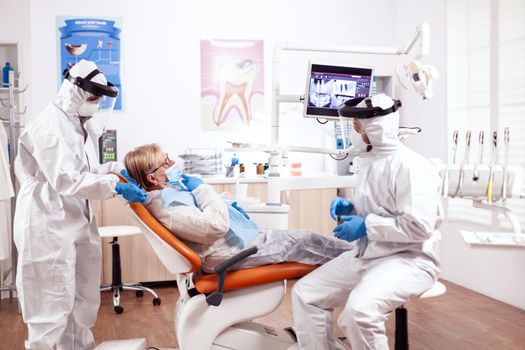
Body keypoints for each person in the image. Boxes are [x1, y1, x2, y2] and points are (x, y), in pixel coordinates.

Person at [292, 93, 443, 350]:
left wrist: (365, 226)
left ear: (374, 128)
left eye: (356, 126)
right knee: (306, 294)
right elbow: (382, 207)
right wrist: (354, 208)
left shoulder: (411, 166)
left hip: (409, 260)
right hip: (368, 254)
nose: (353, 132)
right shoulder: (371, 161)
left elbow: (419, 226)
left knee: (358, 314)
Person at [14, 59, 146, 350]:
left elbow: (84, 170)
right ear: (75, 90)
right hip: (46, 219)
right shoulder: (52, 125)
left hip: (74, 217)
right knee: (51, 302)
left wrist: (115, 171)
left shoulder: (79, 125)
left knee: (80, 298)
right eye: (93, 97)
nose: (97, 103)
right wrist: (115, 186)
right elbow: (65, 180)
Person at [123, 144, 353, 272]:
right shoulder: (170, 210)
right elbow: (215, 226)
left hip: (232, 247)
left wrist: (225, 203)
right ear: (153, 178)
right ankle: (359, 260)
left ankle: (355, 258)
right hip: (228, 255)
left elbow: (200, 214)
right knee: (303, 240)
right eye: (165, 163)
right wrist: (202, 188)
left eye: (169, 158)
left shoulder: (167, 195)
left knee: (300, 239)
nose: (172, 163)